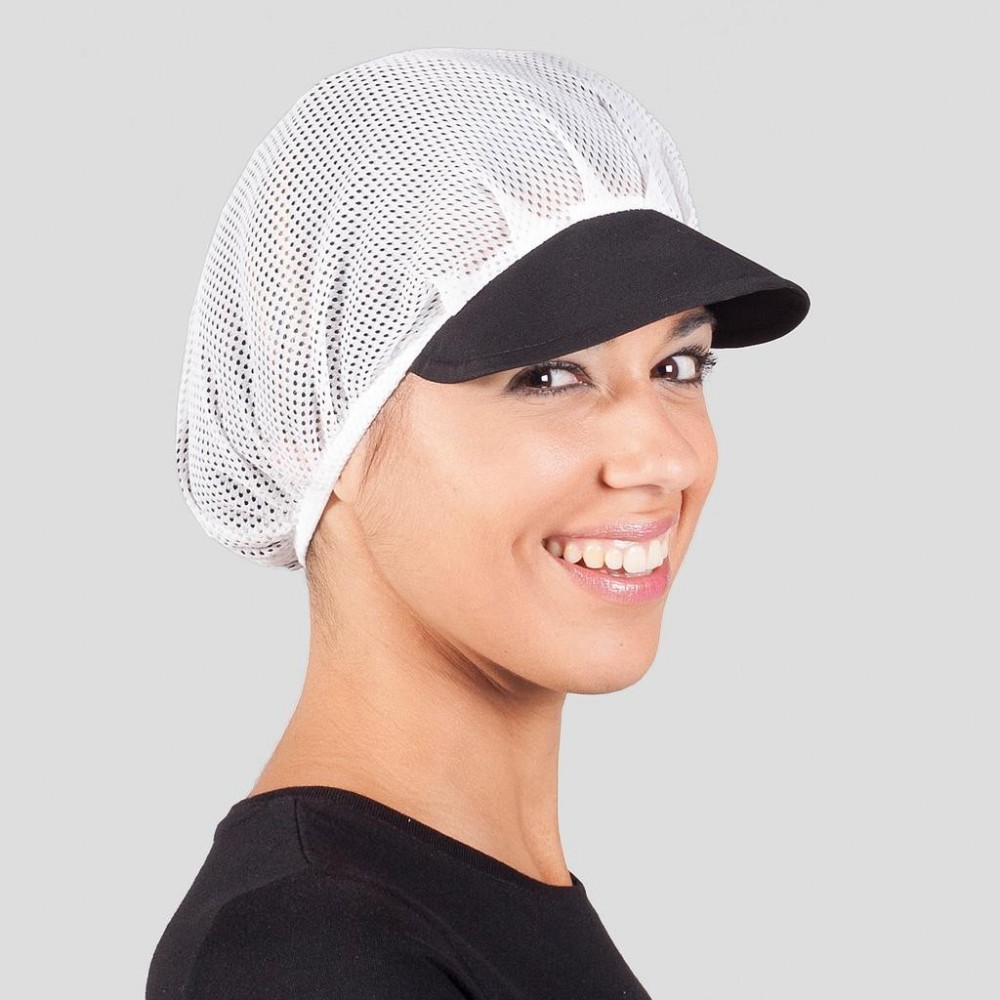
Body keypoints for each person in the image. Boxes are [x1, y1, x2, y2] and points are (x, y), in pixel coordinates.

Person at [147, 47, 809, 999]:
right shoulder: (305, 957)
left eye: (678, 366)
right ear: (317, 425)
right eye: (548, 376)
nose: (663, 458)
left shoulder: (461, 902)